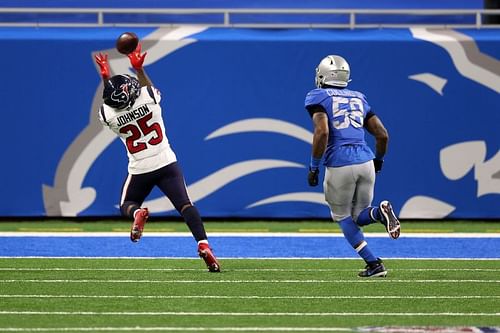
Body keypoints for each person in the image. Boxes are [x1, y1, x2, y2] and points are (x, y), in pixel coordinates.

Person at [94, 44, 221, 272]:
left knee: (127, 204)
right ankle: (203, 243)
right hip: (166, 162)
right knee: (185, 205)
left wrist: (106, 77)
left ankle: (138, 213)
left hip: (140, 167)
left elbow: (113, 102)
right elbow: (145, 88)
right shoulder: (149, 98)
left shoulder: (109, 116)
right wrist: (139, 69)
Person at [305, 55, 400, 278]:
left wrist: (313, 166)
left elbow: (323, 132)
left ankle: (374, 263)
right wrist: (378, 160)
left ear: (322, 75)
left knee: (341, 216)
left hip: (340, 162)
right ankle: (380, 212)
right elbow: (382, 135)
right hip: (365, 160)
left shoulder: (317, 96)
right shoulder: (359, 97)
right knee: (360, 215)